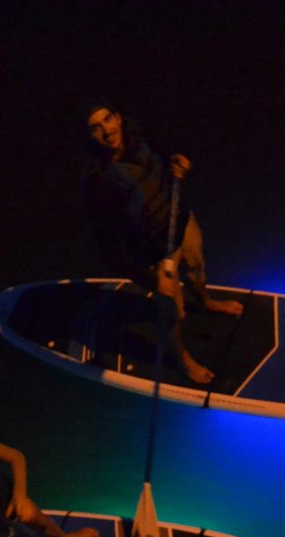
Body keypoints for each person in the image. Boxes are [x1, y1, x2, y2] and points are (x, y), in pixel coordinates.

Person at [81, 99, 243, 385]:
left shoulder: (137, 133)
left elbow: (166, 146)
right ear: (90, 137)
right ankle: (184, 359)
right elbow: (110, 250)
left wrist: (176, 158)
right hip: (156, 253)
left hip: (181, 221)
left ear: (117, 118)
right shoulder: (99, 183)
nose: (105, 130)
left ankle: (206, 301)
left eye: (107, 120)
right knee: (171, 312)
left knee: (197, 269)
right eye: (95, 128)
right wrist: (151, 280)